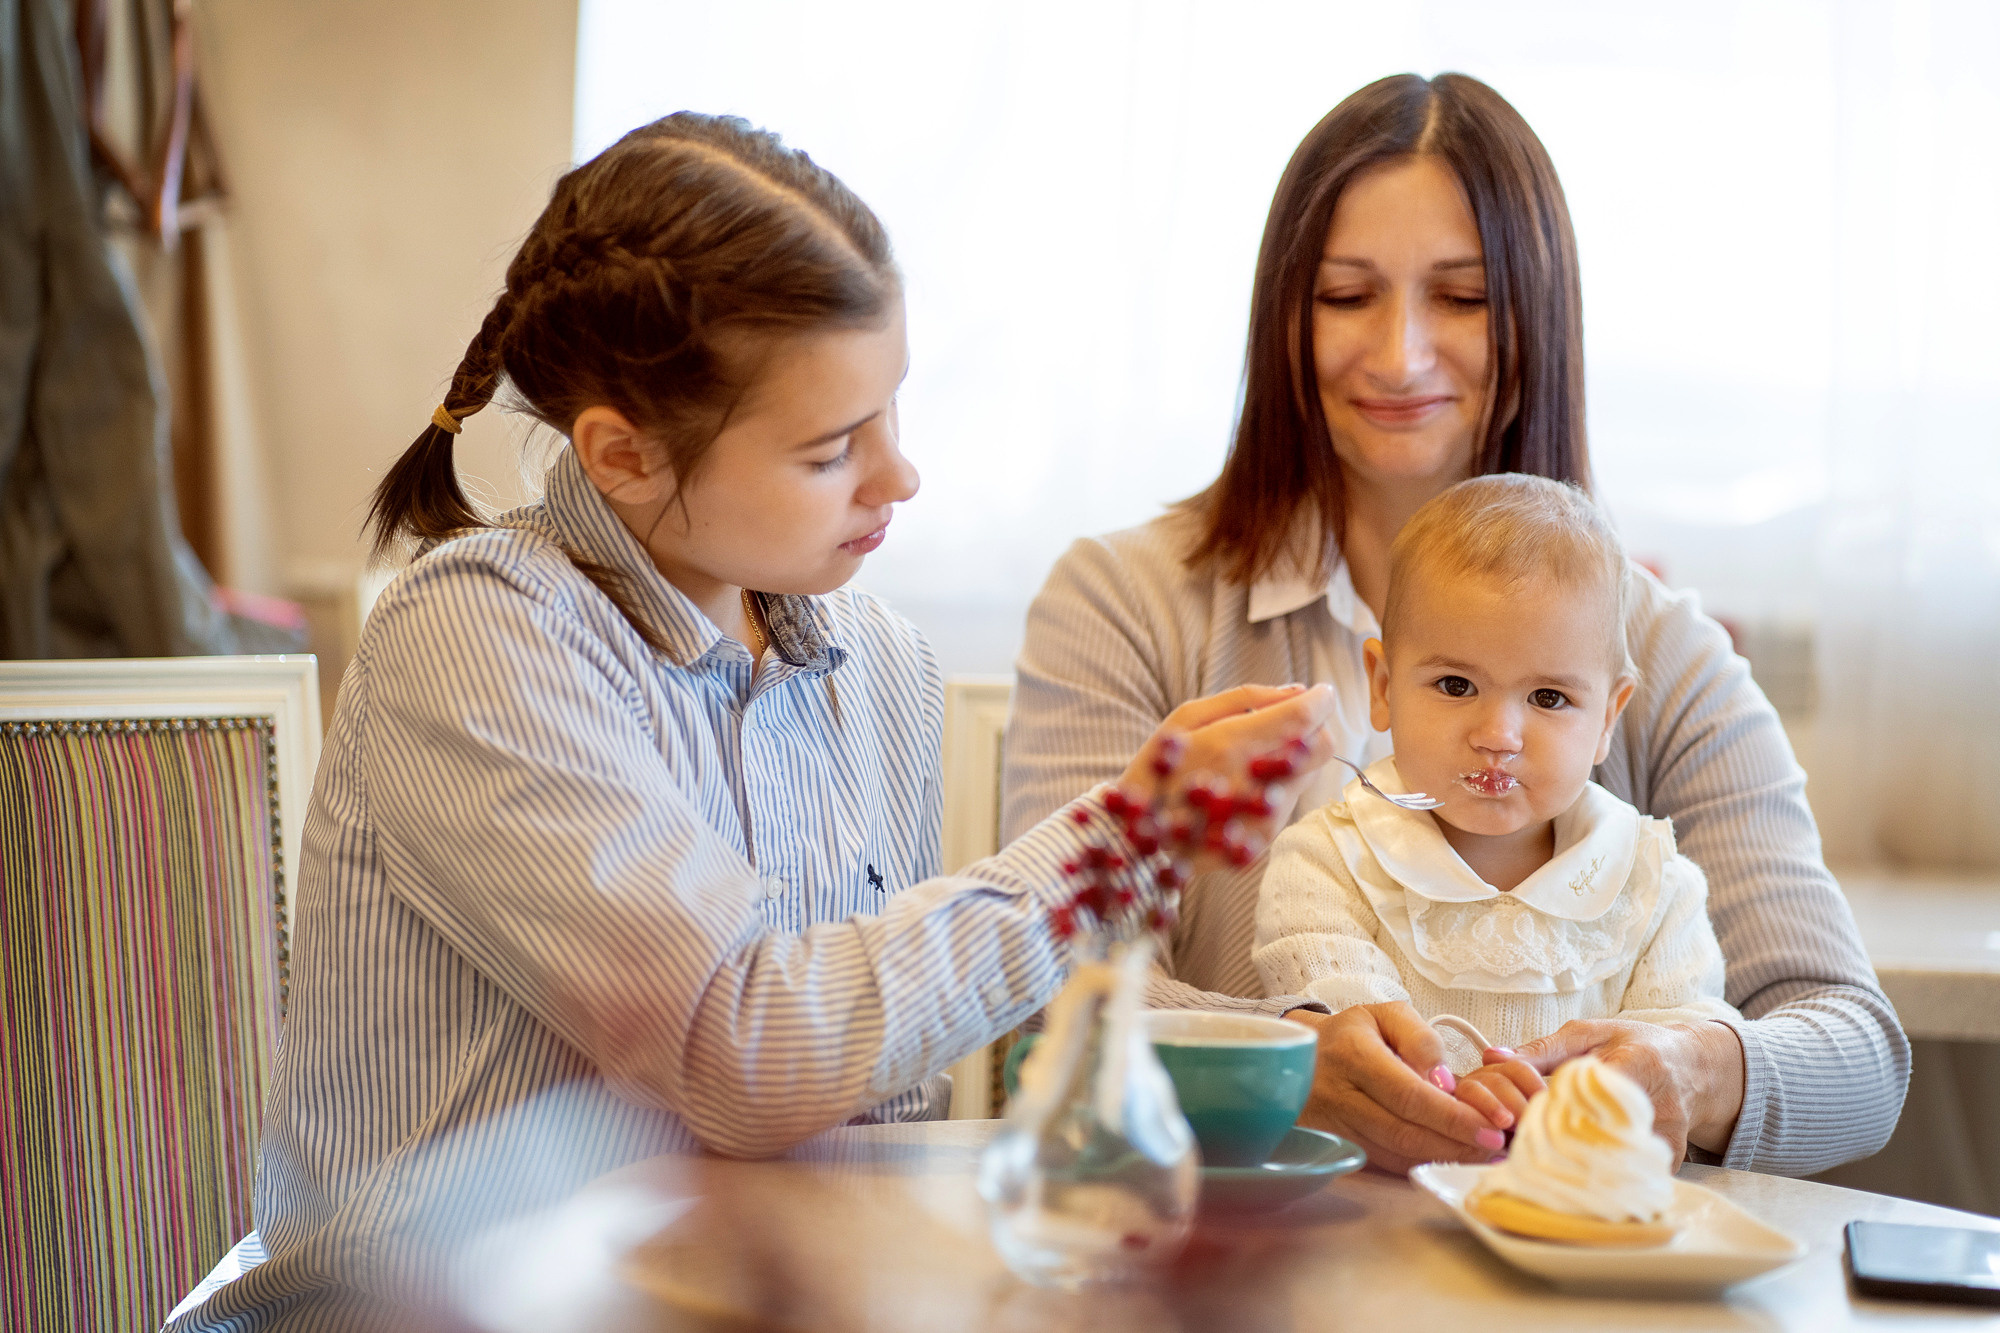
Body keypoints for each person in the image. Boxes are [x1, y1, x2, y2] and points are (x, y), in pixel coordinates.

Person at [166, 113, 1337, 1331]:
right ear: (621, 454)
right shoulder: (475, 636)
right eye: (832, 449)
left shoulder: (874, 664)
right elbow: (745, 1057)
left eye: (891, 412)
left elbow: (870, 1092)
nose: (899, 476)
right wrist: (1123, 836)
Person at [1001, 72, 1907, 1176]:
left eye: (1461, 298)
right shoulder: (1124, 605)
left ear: (1534, 315)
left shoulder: (1661, 650)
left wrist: (1691, 1068)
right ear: (1284, 314)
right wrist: (1289, 1056)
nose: (1397, 355)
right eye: (1344, 295)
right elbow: (1045, 999)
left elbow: (1855, 1052)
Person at [1254, 474, 1741, 1139]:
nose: (1499, 736)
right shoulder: (1325, 862)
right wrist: (1458, 1091)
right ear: (1384, 685)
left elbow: (1671, 1062)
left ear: (1608, 716)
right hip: (1381, 1216)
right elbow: (1368, 1059)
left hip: (1581, 1220)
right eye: (1456, 684)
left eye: (1548, 698)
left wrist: (1594, 1095)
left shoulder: (1655, 885)